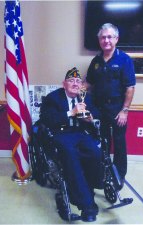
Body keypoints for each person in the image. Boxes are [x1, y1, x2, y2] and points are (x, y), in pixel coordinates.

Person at [40, 67, 103, 222]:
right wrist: (71, 112)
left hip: (80, 133)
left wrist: (91, 118)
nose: (75, 83)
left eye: (78, 81)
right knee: (71, 157)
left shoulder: (86, 97)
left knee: (95, 153)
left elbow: (97, 115)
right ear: (64, 84)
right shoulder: (53, 98)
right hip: (61, 134)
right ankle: (86, 205)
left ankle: (89, 190)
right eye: (71, 80)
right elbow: (47, 119)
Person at [85, 23, 136, 187]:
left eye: (109, 37)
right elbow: (89, 82)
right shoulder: (96, 61)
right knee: (102, 140)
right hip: (98, 108)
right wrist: (74, 88)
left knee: (119, 141)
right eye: (102, 37)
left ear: (116, 39)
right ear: (99, 40)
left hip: (117, 109)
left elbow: (130, 87)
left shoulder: (124, 59)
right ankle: (104, 172)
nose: (106, 40)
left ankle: (120, 175)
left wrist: (124, 111)